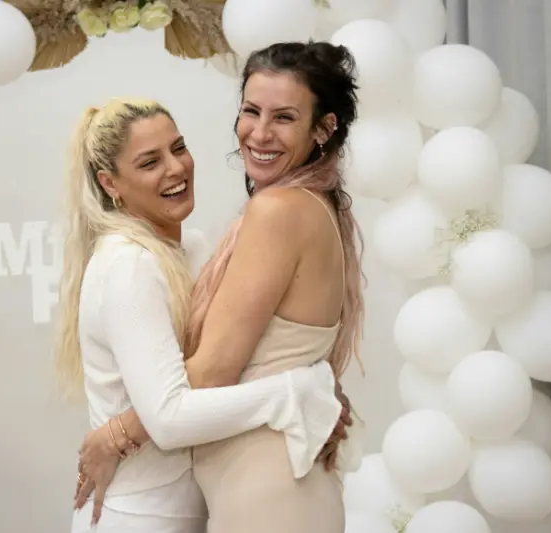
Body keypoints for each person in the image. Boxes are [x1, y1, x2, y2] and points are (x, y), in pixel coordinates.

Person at [75, 40, 364, 533]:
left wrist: (115, 434)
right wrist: (305, 386)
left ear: (323, 128)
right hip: (249, 487)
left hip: (268, 487)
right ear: (110, 183)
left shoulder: (276, 212)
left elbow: (209, 374)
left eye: (284, 117)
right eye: (251, 111)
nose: (260, 133)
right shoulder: (309, 204)